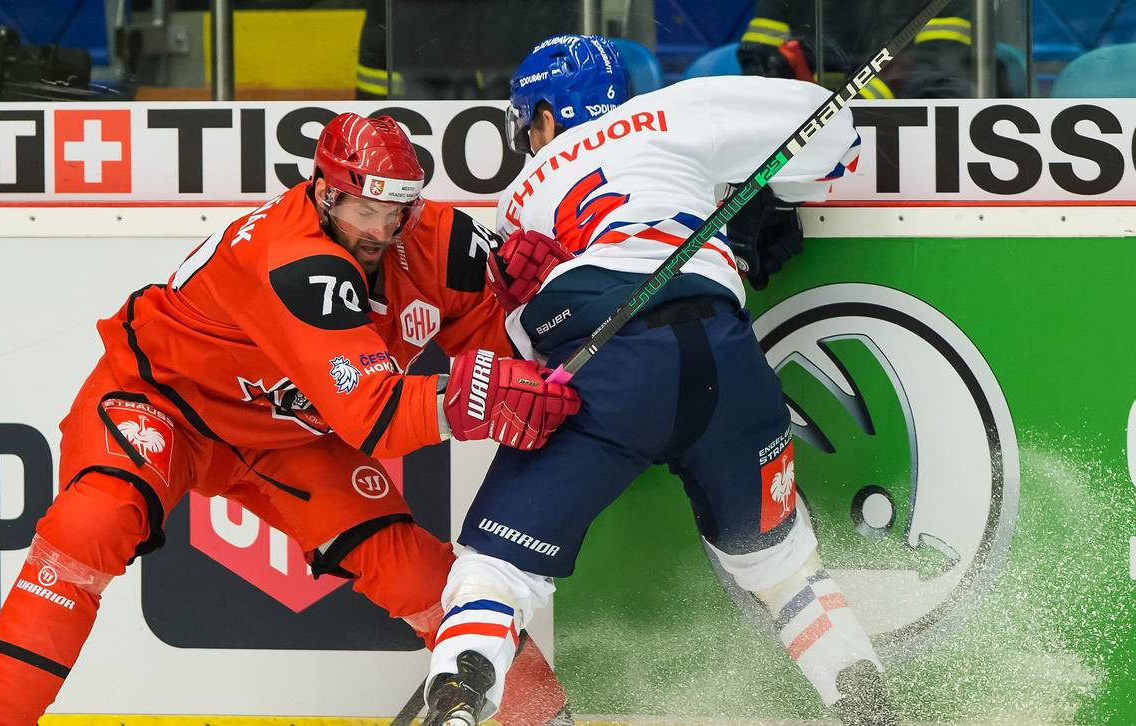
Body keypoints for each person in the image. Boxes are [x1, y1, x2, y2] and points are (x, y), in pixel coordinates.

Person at [0, 112, 580, 726]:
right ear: (324, 191)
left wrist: (523, 301)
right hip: (166, 402)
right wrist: (476, 398)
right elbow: (377, 416)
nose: (380, 230)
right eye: (364, 212)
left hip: (294, 434)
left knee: (420, 575)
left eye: (396, 211)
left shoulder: (442, 242)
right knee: (88, 526)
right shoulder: (290, 258)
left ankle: (545, 720)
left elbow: (500, 353)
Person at [421, 35, 897, 726]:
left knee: (496, 570)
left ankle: (459, 702)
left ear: (548, 115)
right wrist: (751, 188)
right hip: (728, 358)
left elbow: (527, 339)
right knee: (783, 571)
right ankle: (868, 705)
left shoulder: (518, 200)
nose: (530, 136)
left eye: (529, 120)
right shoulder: (673, 112)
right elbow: (837, 138)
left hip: (606, 367)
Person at [737, 0, 1013, 99]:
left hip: (908, 128)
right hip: (809, 129)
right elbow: (758, 55)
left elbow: (937, 68)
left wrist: (858, 105)